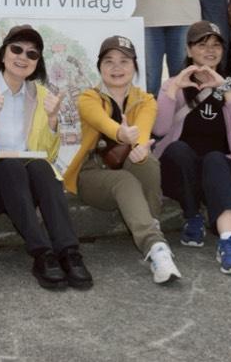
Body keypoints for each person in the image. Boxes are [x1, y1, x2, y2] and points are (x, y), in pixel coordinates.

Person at [0, 25, 92, 290]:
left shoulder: (39, 94)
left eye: (32, 54)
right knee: (10, 166)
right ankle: (42, 254)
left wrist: (52, 121)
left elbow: (47, 154)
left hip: (22, 188)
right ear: (3, 54)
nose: (23, 57)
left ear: (37, 63)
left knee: (41, 168)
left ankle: (69, 253)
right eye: (16, 49)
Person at [64, 35, 181, 284]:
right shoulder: (88, 97)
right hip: (92, 174)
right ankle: (156, 248)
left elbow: (144, 128)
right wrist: (121, 133)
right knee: (125, 180)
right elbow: (101, 121)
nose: (117, 68)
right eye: (109, 61)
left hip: (127, 165)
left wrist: (139, 147)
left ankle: (152, 226)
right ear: (100, 68)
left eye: (124, 61)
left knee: (147, 162)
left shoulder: (146, 100)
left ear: (135, 66)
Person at [153, 22, 231, 274]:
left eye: (216, 45)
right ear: (189, 50)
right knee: (178, 149)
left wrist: (224, 88)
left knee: (214, 158)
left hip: (217, 170)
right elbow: (159, 129)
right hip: (182, 170)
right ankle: (193, 217)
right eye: (202, 45)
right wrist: (173, 89)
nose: (210, 51)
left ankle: (228, 242)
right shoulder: (174, 86)